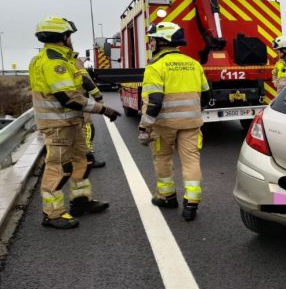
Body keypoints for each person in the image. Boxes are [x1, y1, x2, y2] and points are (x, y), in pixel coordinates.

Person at [29, 16, 121, 229]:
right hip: (59, 126)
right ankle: (52, 215)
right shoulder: (54, 62)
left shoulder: (59, 58)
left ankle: (80, 201)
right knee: (59, 168)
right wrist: (103, 109)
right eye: (69, 35)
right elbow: (68, 98)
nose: (71, 38)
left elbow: (79, 84)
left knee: (84, 160)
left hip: (71, 123)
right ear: (62, 36)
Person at [138, 22, 209, 221]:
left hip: (164, 125)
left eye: (153, 39)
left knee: (162, 158)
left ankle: (167, 197)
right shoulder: (194, 64)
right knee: (191, 160)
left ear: (163, 41)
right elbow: (205, 94)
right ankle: (192, 202)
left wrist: (145, 126)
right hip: (191, 123)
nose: (151, 43)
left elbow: (154, 101)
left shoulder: (156, 66)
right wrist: (195, 112)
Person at [72, 52, 106, 168]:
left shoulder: (40, 61)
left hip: (58, 106)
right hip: (78, 100)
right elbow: (86, 80)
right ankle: (87, 158)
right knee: (87, 127)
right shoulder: (73, 60)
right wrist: (98, 97)